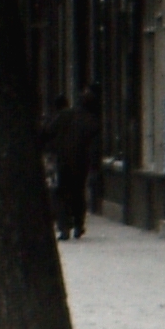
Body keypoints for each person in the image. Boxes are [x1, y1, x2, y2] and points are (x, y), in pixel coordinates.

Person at [45, 88, 103, 239]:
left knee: (61, 193)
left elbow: (48, 132)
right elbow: (95, 147)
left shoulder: (64, 115)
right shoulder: (92, 121)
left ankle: (64, 226)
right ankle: (78, 224)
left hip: (63, 160)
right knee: (78, 193)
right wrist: (94, 166)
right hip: (81, 162)